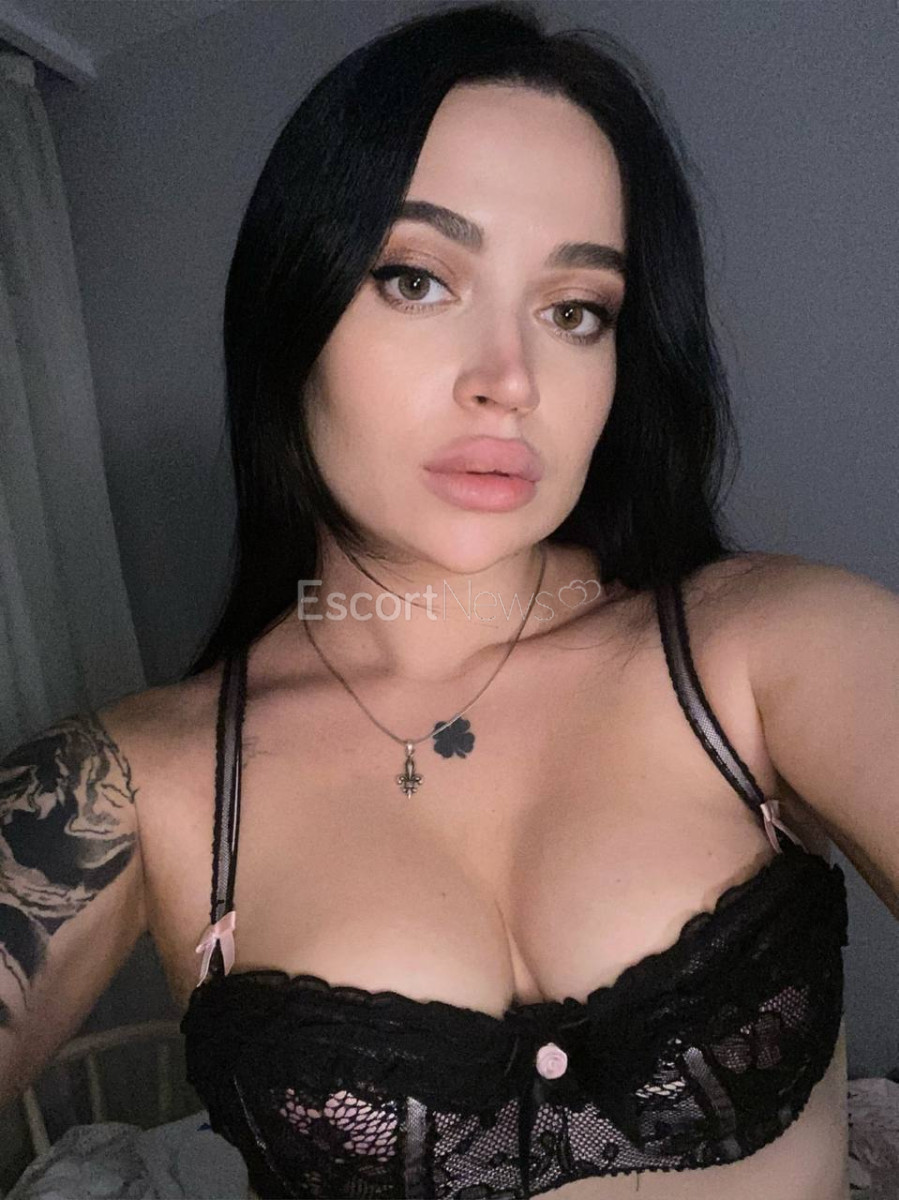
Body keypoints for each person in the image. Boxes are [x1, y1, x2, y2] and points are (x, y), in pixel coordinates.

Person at [1, 3, 896, 1198]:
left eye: (573, 310)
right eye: (417, 280)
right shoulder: (135, 785)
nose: (509, 381)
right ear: (290, 307)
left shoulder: (774, 650)